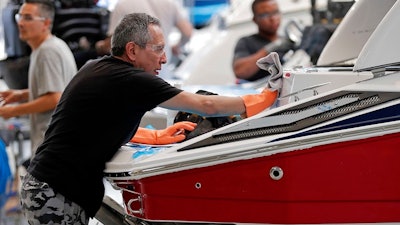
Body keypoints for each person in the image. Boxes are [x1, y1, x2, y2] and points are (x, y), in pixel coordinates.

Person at [20, 13, 279, 224]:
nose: (164, 59)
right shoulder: (132, 79)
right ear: (132, 50)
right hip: (56, 193)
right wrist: (262, 100)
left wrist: (156, 136)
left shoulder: (98, 67)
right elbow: (206, 105)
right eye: (158, 50)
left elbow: (94, 125)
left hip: (45, 187)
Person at [0, 0, 77, 154]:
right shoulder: (49, 46)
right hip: (56, 141)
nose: (21, 23)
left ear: (46, 23)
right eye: (19, 17)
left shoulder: (47, 52)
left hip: (53, 143)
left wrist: (13, 111)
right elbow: (59, 88)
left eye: (28, 18)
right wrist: (21, 95)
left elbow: (55, 98)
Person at [95, 0, 193, 79]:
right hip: (163, 74)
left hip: (134, 76)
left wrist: (100, 46)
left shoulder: (122, 4)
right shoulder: (170, 3)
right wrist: (178, 46)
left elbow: (111, 44)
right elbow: (187, 32)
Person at [232, 0, 294, 84]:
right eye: (265, 15)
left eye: (275, 12)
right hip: (259, 92)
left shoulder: (289, 42)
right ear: (255, 20)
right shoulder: (246, 42)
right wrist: (268, 49)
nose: (272, 18)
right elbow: (240, 71)